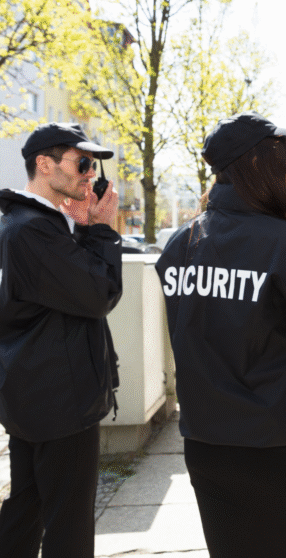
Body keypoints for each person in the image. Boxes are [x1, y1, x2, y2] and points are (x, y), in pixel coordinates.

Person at [155, 113, 286, 558]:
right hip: (277, 444)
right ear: (259, 163)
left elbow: (185, 340)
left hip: (205, 446)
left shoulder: (179, 246)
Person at [0, 122, 121, 558]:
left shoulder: (31, 224)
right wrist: (102, 230)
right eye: (83, 163)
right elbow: (99, 293)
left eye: (92, 165)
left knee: (27, 506)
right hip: (57, 400)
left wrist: (81, 229)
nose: (90, 174)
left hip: (36, 392)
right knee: (68, 522)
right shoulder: (33, 229)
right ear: (44, 164)